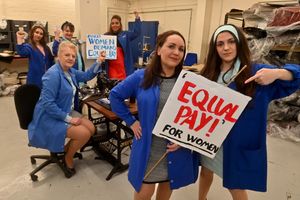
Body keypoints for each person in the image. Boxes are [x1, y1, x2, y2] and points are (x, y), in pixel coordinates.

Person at [198, 24, 300, 200]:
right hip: (210, 138)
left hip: (236, 143)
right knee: (206, 171)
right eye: (220, 44)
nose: (226, 47)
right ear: (215, 48)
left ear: (240, 44)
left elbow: (297, 76)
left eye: (231, 42)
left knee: (235, 185)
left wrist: (278, 73)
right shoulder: (208, 74)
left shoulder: (256, 74)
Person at [109, 30, 199, 200]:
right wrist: (131, 121)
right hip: (148, 148)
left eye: (181, 49)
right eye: (171, 46)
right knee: (144, 193)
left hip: (174, 149)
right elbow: (115, 96)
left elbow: (196, 117)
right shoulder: (141, 76)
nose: (176, 52)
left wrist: (185, 138)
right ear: (158, 50)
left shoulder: (188, 81)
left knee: (167, 187)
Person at [28, 41, 106, 177]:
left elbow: (87, 75)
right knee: (84, 134)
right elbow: (48, 104)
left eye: (73, 56)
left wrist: (99, 61)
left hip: (64, 110)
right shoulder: (53, 74)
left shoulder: (69, 71)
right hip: (49, 116)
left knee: (91, 128)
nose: (71, 58)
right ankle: (68, 157)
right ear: (59, 56)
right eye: (67, 55)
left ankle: (65, 150)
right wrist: (69, 119)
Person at [104, 11, 141, 80]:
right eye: (112, 23)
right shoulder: (106, 36)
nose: (114, 25)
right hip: (111, 69)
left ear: (120, 24)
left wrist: (137, 18)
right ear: (110, 25)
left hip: (124, 68)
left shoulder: (126, 35)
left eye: (117, 23)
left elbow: (137, 32)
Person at [16, 23, 54, 88]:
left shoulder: (46, 47)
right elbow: (22, 52)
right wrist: (19, 38)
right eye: (37, 32)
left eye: (41, 34)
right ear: (33, 33)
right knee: (34, 96)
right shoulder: (29, 46)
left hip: (47, 78)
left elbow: (51, 61)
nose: (38, 35)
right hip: (34, 79)